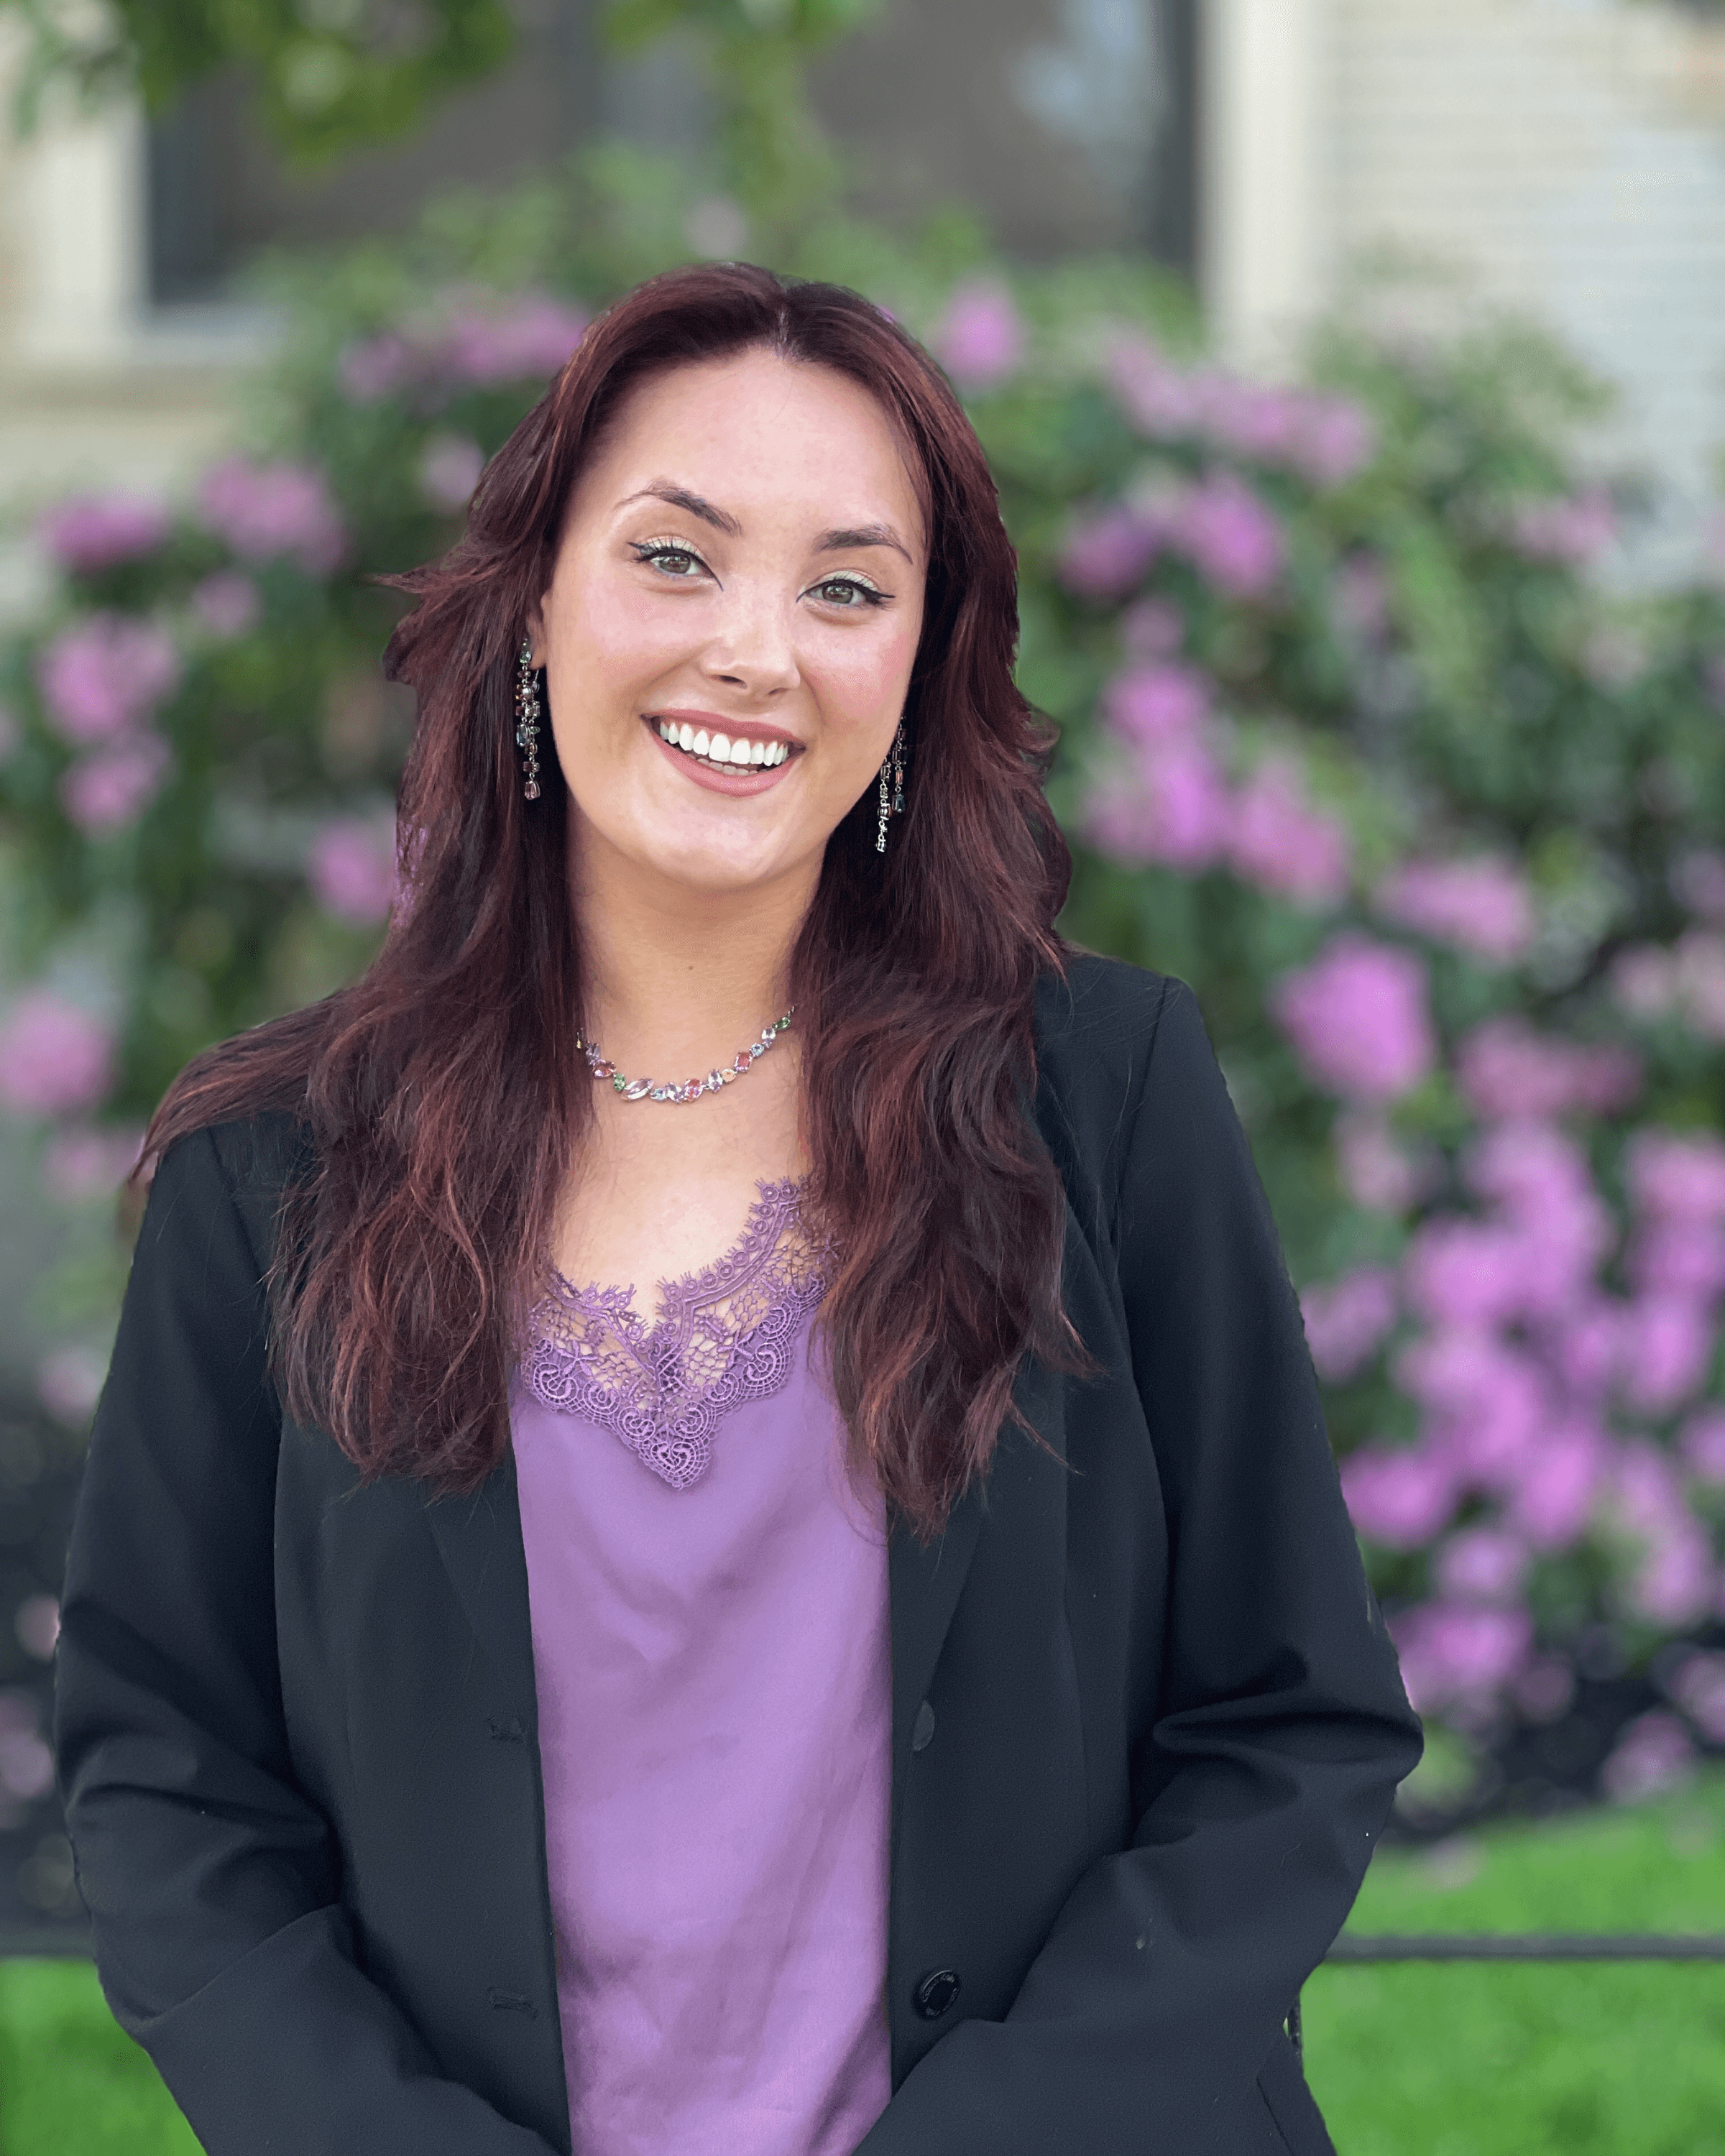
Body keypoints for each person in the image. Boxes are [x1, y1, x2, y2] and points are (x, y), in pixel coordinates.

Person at [54, 262, 1422, 2156]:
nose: (753, 651)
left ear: (920, 664)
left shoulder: (1103, 1101)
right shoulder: (274, 1171)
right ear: (534, 604)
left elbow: (1290, 1726)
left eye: (847, 587)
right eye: (676, 559)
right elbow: (165, 1782)